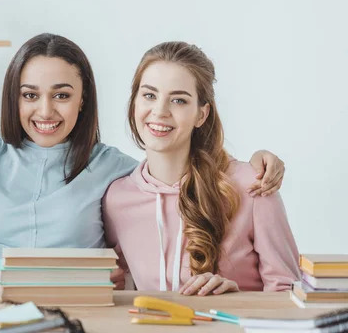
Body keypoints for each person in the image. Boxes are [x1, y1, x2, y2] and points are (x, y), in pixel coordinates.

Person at [0, 34, 286, 286]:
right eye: (30, 94)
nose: (45, 111)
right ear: (13, 98)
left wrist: (254, 162)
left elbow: (175, 166)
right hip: (0, 316)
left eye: (62, 95)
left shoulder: (114, 170)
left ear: (83, 101)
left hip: (88, 319)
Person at [102, 42, 300, 295]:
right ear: (134, 103)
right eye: (149, 95)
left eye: (179, 100)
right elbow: (117, 285)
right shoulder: (117, 199)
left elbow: (289, 292)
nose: (160, 111)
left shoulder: (253, 185)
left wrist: (236, 299)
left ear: (201, 115)